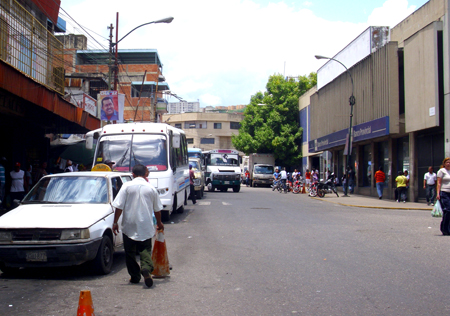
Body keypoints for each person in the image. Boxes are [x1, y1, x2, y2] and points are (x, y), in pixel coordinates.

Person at [112, 164, 163, 287]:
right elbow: (157, 209)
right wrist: (160, 223)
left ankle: (135, 276)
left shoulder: (126, 186)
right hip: (145, 224)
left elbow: (119, 206)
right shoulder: (151, 188)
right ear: (145, 174)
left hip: (129, 224)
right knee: (145, 249)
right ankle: (145, 268)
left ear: (133, 174)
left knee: (129, 252)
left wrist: (115, 222)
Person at [437, 158, 450, 235]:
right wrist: (438, 194)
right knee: (448, 210)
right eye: (447, 162)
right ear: (444, 163)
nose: (448, 164)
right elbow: (438, 183)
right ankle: (444, 228)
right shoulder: (441, 171)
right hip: (444, 192)